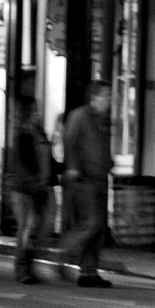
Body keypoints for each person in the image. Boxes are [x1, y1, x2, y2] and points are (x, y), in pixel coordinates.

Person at [59, 80, 114, 288]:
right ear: (95, 97)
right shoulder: (80, 116)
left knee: (99, 228)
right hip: (85, 179)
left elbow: (101, 147)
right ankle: (64, 251)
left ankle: (89, 272)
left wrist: (108, 163)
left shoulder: (102, 120)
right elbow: (70, 141)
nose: (109, 100)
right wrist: (72, 167)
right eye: (106, 96)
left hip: (100, 177)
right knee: (91, 222)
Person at [3, 93, 55, 285]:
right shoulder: (22, 135)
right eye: (32, 110)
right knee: (26, 228)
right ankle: (22, 269)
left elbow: (46, 159)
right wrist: (35, 181)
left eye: (36, 109)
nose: (36, 113)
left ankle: (28, 265)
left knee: (40, 228)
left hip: (39, 187)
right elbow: (23, 163)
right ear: (25, 113)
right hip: (24, 190)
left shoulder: (38, 132)